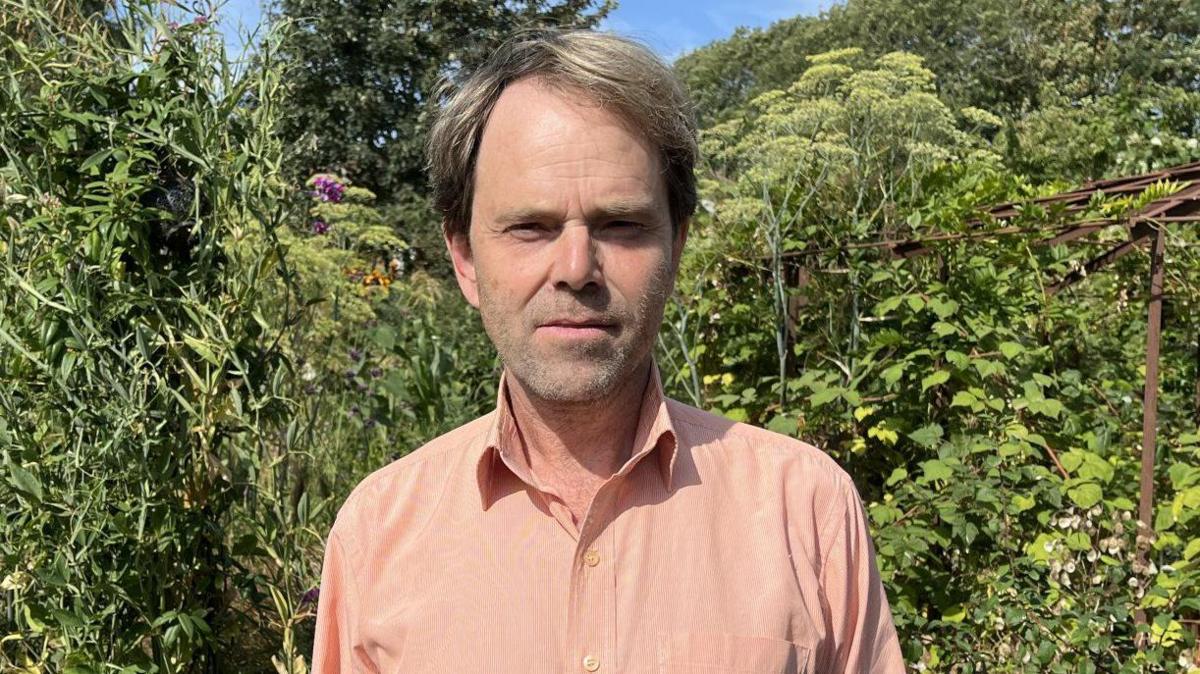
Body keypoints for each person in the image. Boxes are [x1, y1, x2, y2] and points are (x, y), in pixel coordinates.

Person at [311, 28, 906, 674]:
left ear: (676, 247)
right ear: (464, 258)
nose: (575, 268)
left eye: (619, 225)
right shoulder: (378, 536)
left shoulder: (809, 514)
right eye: (530, 227)